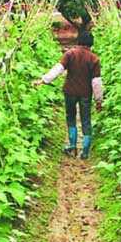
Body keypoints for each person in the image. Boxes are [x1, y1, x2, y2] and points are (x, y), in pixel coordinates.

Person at [33, 30, 103, 159]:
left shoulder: (70, 54)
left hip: (69, 91)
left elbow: (57, 70)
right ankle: (85, 151)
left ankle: (72, 146)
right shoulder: (94, 59)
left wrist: (43, 80)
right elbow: (96, 82)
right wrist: (99, 100)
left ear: (78, 41)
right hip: (85, 94)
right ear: (91, 44)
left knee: (71, 117)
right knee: (86, 121)